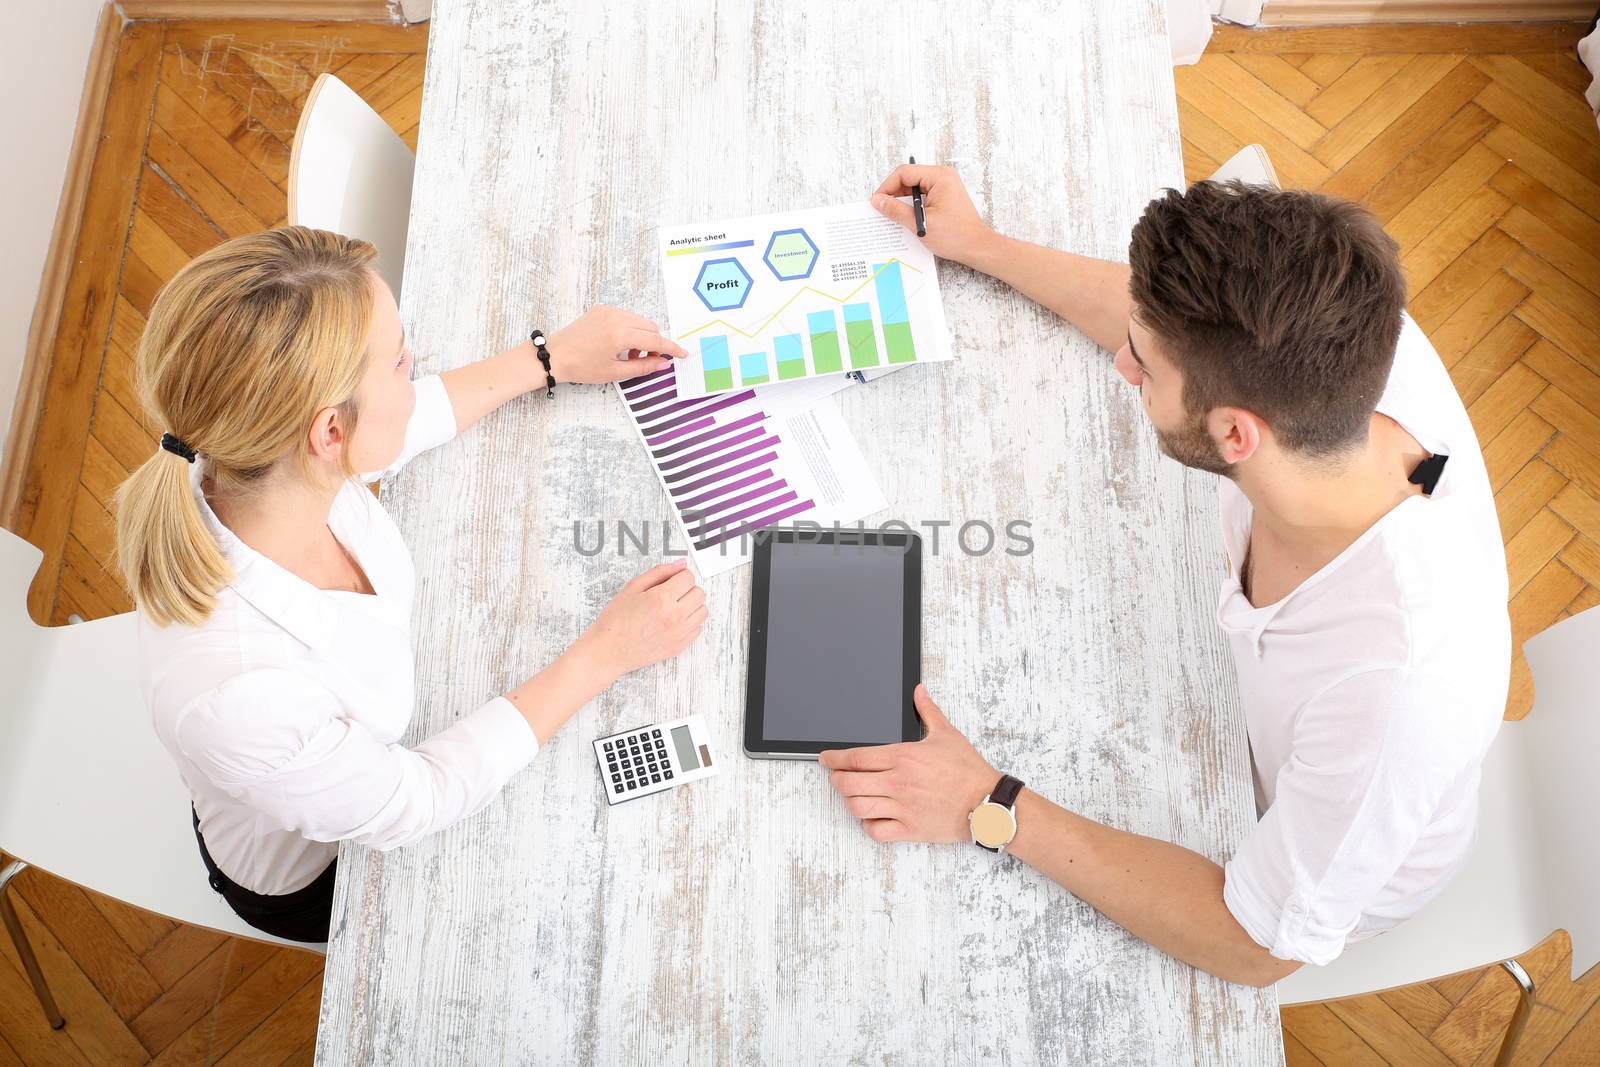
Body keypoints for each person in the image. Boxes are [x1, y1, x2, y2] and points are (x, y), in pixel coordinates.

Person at [821, 166, 1511, 987]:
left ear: (1235, 436)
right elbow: (1165, 328)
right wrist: (978, 244)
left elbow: (1255, 947)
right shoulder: (1340, 352)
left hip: (1305, 873)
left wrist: (987, 800)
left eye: (1144, 367)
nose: (1123, 364)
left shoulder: (1396, 685)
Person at [116, 226, 706, 943]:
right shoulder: (239, 696)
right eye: (398, 361)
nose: (415, 365)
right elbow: (418, 798)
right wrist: (606, 652)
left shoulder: (268, 463)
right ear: (329, 433)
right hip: (320, 875)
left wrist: (549, 359)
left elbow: (402, 422)